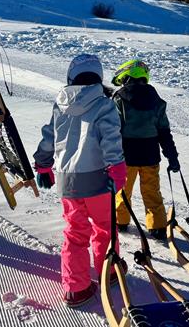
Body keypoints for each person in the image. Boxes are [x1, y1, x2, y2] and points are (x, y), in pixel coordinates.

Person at [33, 54, 127, 308]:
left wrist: (43, 164)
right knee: (105, 227)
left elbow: (48, 137)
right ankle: (108, 271)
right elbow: (110, 138)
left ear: (71, 78)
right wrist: (117, 165)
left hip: (68, 183)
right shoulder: (104, 104)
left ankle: (76, 288)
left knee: (75, 233)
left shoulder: (59, 104)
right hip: (98, 179)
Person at [110, 59, 179, 241]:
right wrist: (172, 156)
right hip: (150, 155)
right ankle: (157, 226)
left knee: (123, 191)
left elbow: (114, 130)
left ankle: (120, 221)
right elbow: (164, 132)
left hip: (125, 156)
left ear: (126, 76)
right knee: (151, 191)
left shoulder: (119, 99)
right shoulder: (156, 101)